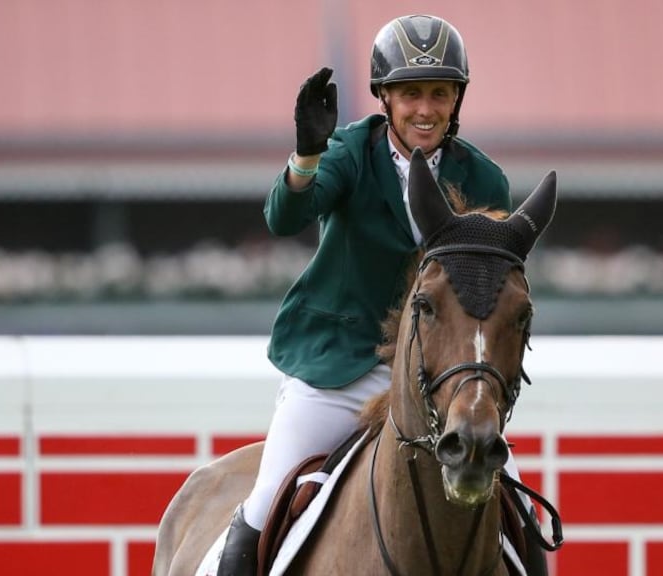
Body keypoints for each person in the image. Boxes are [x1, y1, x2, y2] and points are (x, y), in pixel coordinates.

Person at [217, 14, 547, 576]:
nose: (425, 109)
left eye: (439, 93)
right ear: (385, 99)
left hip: (438, 377)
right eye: (410, 94)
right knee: (264, 503)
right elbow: (285, 216)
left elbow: (485, 291)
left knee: (520, 518)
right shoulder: (349, 152)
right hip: (337, 371)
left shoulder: (484, 179)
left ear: (456, 100)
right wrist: (305, 157)